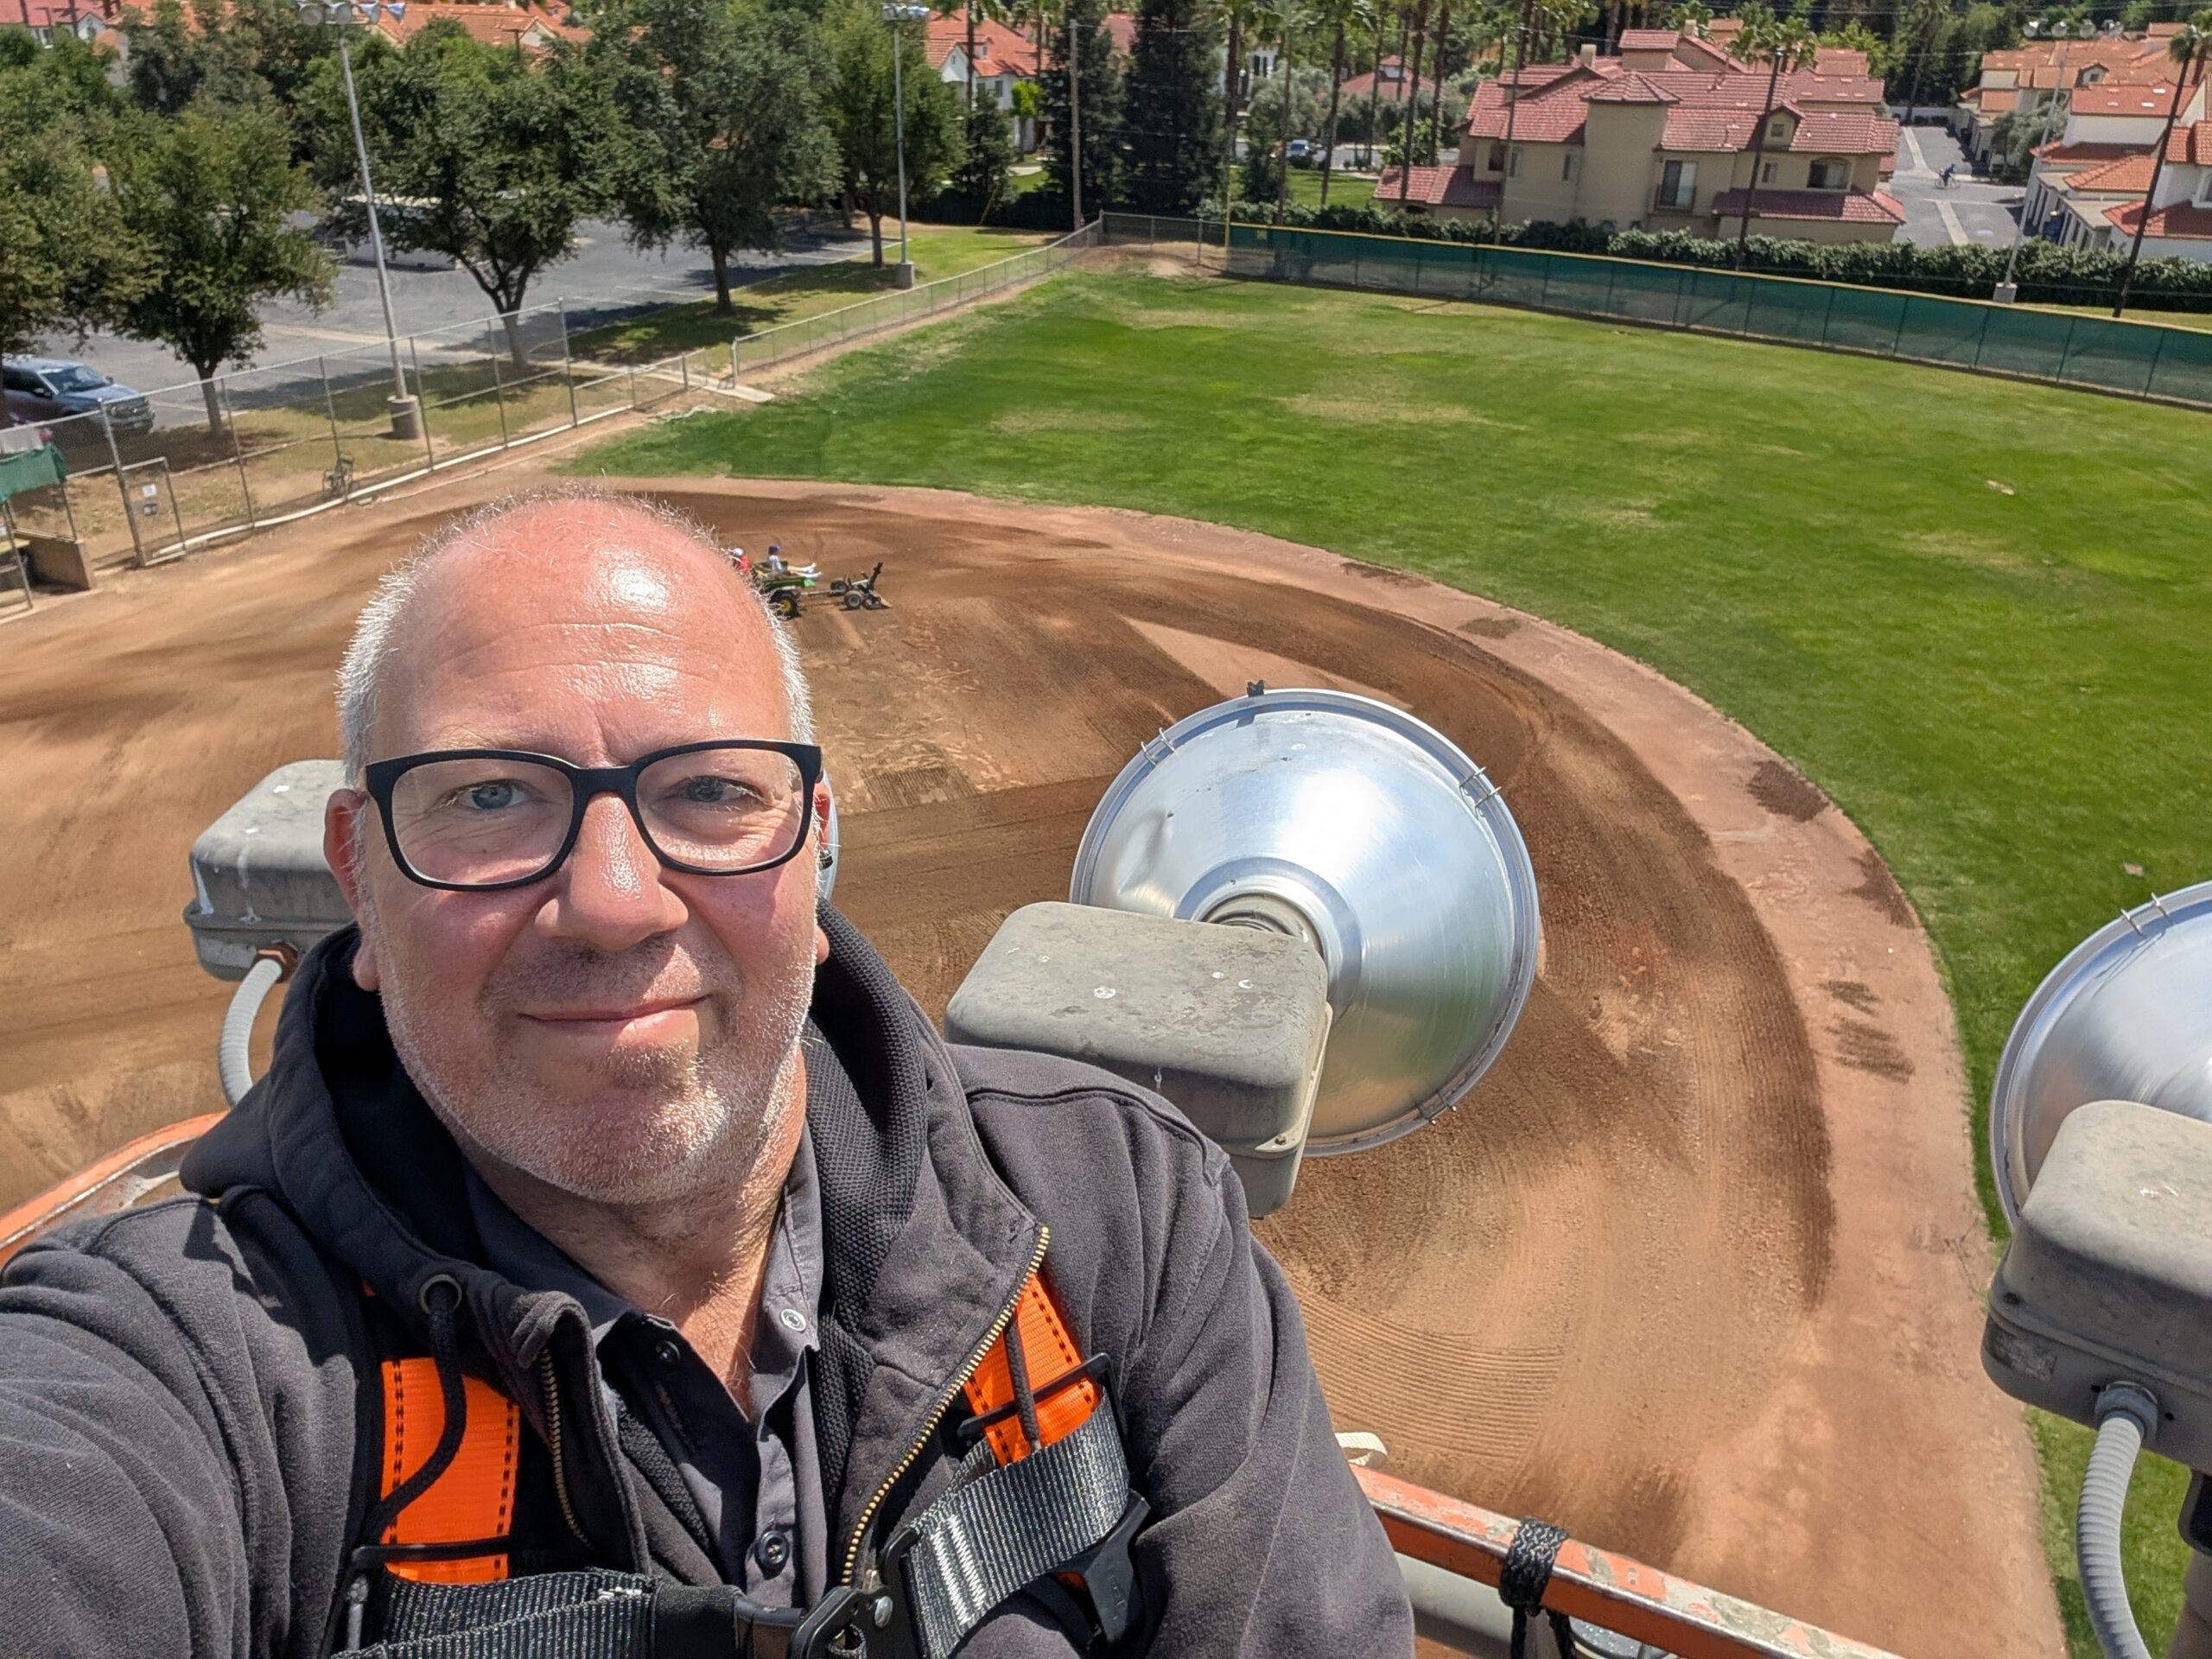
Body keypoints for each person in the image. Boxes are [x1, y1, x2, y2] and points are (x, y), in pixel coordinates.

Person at [0, 487, 1412, 1658]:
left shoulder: (1120, 1210)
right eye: (491, 796)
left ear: (814, 847)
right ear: (361, 879)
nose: (615, 902)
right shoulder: (194, 1379)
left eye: (713, 792)